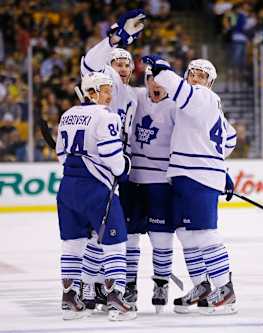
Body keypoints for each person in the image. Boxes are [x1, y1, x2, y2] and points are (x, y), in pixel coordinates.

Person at [142, 55, 238, 315]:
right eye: (192, 73)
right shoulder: (200, 104)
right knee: (187, 233)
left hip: (199, 175)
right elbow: (229, 139)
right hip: (189, 174)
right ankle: (202, 286)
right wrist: (221, 166)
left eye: (201, 75)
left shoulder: (203, 97)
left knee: (205, 232)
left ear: (210, 83)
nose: (195, 78)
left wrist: (162, 70)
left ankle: (225, 289)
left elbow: (180, 90)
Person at [55, 72, 135, 321]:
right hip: (97, 189)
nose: (110, 94)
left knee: (72, 244)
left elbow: (61, 155)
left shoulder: (67, 115)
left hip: (67, 188)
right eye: (105, 89)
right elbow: (115, 161)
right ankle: (115, 299)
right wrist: (124, 166)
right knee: (115, 243)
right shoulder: (106, 116)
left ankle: (70, 299)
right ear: (91, 91)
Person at [78, 9, 144, 310]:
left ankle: (98, 285)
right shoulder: (104, 83)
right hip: (95, 165)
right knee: (96, 229)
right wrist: (115, 40)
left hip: (117, 166)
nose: (123, 68)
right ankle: (89, 286)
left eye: (126, 64)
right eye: (118, 63)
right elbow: (89, 62)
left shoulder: (132, 95)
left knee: (109, 229)